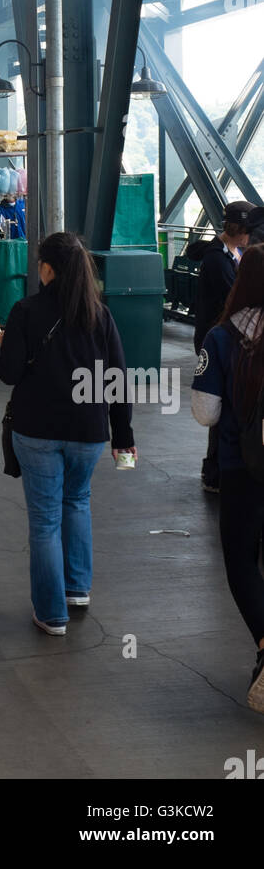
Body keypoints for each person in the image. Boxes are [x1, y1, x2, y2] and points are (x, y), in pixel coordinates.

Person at [0, 231, 134, 637]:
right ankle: (77, 589)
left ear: (48, 268)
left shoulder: (26, 310)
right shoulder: (100, 315)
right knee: (77, 502)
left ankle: (52, 614)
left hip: (36, 431)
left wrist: (7, 345)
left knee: (44, 522)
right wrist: (123, 437)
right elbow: (117, 380)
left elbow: (9, 374)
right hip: (89, 433)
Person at [191, 243, 264, 712]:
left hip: (244, 468)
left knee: (241, 561)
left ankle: (263, 645)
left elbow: (205, 412)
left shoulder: (221, 338)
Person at [188, 201, 254, 494]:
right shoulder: (219, 261)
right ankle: (214, 469)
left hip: (211, 337)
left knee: (219, 403)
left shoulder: (225, 255)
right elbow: (234, 298)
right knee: (221, 404)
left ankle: (214, 468)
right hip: (215, 341)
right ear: (240, 232)